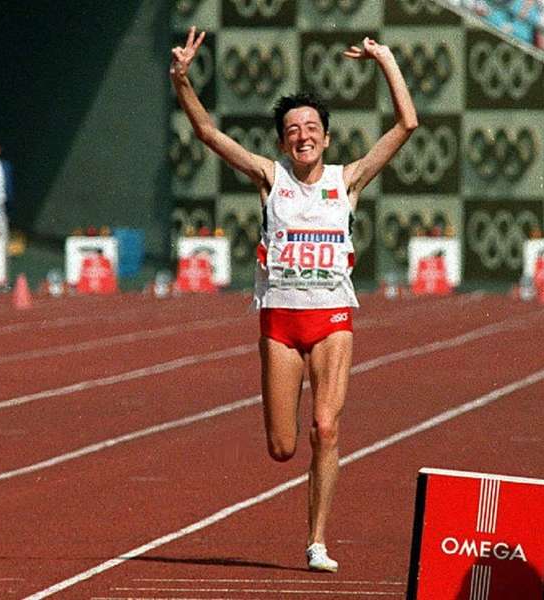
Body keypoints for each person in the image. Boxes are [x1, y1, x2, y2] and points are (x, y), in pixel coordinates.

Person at [170, 27, 417, 572]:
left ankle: (317, 542)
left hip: (332, 318)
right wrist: (182, 80)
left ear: (326, 138)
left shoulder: (347, 180)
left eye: (311, 128)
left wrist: (386, 60)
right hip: (279, 321)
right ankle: (310, 521)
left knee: (326, 428)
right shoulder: (268, 177)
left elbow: (406, 124)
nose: (302, 136)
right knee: (282, 446)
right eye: (292, 130)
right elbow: (209, 133)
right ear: (282, 142)